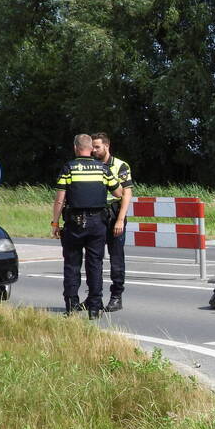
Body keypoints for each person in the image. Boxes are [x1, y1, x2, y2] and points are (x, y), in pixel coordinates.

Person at [51, 134, 122, 318]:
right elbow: (118, 192)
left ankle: (71, 305)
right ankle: (94, 307)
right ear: (91, 148)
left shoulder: (69, 168)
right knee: (95, 264)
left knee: (72, 264)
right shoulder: (103, 169)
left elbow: (60, 199)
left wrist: (55, 222)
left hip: (74, 223)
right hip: (97, 222)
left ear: (76, 148)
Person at [91, 133, 134, 312]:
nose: (94, 150)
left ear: (107, 146)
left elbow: (126, 193)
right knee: (95, 259)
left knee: (116, 259)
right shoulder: (91, 165)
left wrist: (121, 219)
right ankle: (94, 297)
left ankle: (116, 296)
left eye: (97, 147)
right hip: (96, 215)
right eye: (92, 147)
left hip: (114, 214)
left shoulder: (120, 165)